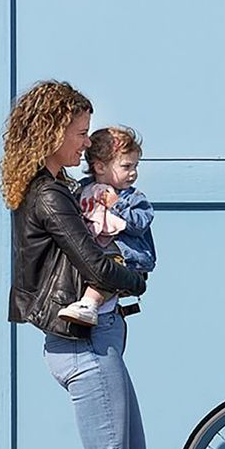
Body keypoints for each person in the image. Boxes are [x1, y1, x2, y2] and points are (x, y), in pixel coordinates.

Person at [0, 80, 163, 449]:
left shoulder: (64, 188)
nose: (86, 142)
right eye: (79, 132)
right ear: (51, 132)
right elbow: (96, 265)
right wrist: (137, 276)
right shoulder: (50, 196)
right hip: (81, 342)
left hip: (99, 338)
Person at [59, 126, 157, 326]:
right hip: (93, 256)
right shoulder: (83, 191)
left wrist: (116, 205)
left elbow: (140, 224)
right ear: (100, 167)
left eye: (135, 166)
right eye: (126, 166)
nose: (133, 173)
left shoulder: (133, 197)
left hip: (124, 258)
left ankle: (89, 304)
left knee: (109, 268)